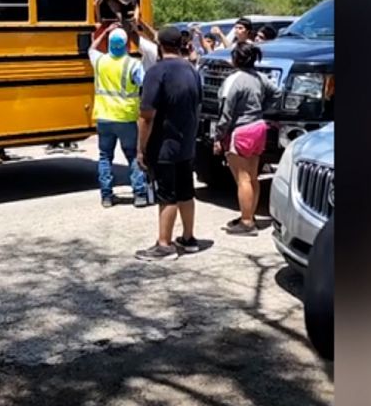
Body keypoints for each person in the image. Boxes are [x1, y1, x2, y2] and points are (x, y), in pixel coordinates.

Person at [135, 26, 205, 259]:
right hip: (186, 144)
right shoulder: (192, 70)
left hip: (164, 145)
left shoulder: (157, 72)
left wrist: (141, 148)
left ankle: (164, 244)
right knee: (186, 192)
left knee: (167, 195)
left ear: (159, 44)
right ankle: (188, 238)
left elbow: (146, 116)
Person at [213, 41, 281, 234]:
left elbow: (225, 111)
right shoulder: (259, 77)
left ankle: (246, 222)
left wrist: (218, 136)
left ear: (236, 58)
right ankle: (250, 215)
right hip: (258, 127)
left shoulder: (233, 80)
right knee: (253, 177)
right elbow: (276, 92)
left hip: (240, 130)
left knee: (242, 179)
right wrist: (263, 109)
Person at [89, 24, 149, 208]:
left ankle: (106, 196)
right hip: (126, 117)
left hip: (104, 116)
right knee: (132, 155)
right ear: (125, 44)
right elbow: (144, 84)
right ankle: (139, 194)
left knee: (105, 156)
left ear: (109, 43)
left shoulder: (99, 61)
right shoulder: (133, 64)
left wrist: (104, 33)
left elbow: (91, 48)